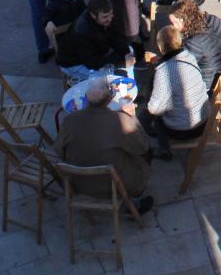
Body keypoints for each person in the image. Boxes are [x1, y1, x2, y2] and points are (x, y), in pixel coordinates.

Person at [54, 76, 154, 214]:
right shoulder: (121, 120)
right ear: (109, 98)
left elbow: (58, 150)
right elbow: (143, 146)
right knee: (145, 153)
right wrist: (133, 117)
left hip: (78, 184)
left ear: (86, 99)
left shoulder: (69, 120)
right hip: (113, 185)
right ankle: (134, 201)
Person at [141, 25, 209, 158]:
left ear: (160, 48)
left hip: (184, 130)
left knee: (150, 112)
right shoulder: (189, 56)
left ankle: (163, 150)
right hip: (203, 120)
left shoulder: (164, 72)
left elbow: (155, 109)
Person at [56, 0, 133, 77]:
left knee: (129, 51)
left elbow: (114, 35)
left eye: (111, 14)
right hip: (74, 64)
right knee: (106, 78)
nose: (110, 18)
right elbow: (93, 63)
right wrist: (120, 61)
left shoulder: (104, 19)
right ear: (93, 15)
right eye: (105, 17)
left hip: (93, 54)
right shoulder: (82, 32)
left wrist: (126, 52)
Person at [167, 0, 221, 89]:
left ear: (185, 20)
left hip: (211, 82)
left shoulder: (195, 42)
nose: (174, 27)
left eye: (175, 23)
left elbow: (183, 67)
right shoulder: (214, 19)